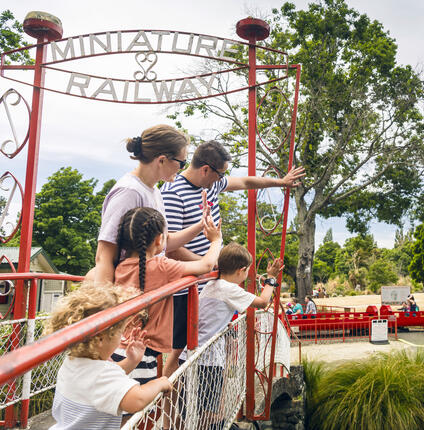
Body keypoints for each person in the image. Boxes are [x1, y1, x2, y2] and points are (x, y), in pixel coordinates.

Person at [160, 140, 305, 376]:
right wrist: (209, 264)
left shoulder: (211, 185)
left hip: (212, 282)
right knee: (180, 352)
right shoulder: (173, 193)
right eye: (221, 174)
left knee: (212, 341)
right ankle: (169, 406)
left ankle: (203, 401)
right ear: (206, 169)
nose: (222, 179)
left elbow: (246, 182)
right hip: (189, 287)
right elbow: (171, 247)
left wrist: (281, 182)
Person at [110, 207, 222, 391]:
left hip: (116, 348)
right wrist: (216, 241)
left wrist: (201, 223)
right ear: (159, 240)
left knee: (122, 412)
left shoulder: (120, 266)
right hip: (140, 354)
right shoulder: (161, 266)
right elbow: (206, 265)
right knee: (139, 416)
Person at [178, 243, 283, 429]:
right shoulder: (229, 289)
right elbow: (262, 302)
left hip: (189, 356)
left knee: (192, 409)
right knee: (211, 413)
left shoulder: (212, 283)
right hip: (207, 361)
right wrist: (272, 279)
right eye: (247, 272)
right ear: (241, 270)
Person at [46, 284, 172, 430]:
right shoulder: (102, 375)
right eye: (120, 332)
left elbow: (101, 378)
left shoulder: (72, 361)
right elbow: (137, 400)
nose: (122, 338)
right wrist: (159, 383)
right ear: (100, 339)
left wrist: (131, 361)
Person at [93, 125, 207, 284]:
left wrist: (202, 224)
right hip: (128, 293)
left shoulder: (154, 191)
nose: (183, 168)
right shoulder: (129, 192)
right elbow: (104, 255)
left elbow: (163, 242)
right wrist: (107, 303)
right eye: (182, 163)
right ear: (162, 160)